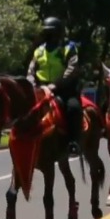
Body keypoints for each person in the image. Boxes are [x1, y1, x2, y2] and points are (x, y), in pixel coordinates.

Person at [26, 16, 83, 156]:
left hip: (63, 89)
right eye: (46, 32)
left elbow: (72, 69)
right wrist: (32, 84)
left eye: (51, 32)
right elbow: (31, 70)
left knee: (73, 107)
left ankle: (73, 142)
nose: (48, 35)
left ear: (59, 33)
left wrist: (55, 85)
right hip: (40, 89)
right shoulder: (38, 50)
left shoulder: (69, 48)